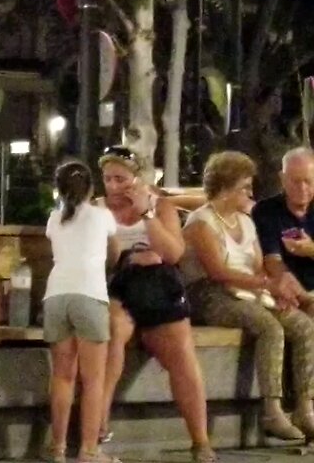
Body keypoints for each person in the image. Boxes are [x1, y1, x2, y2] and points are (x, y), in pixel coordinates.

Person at [182, 151, 314, 439]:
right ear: (226, 188)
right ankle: (272, 411)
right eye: (244, 186)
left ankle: (305, 407)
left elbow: (257, 265)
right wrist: (266, 285)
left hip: (248, 290)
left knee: (303, 326)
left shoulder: (245, 220)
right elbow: (217, 272)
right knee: (269, 327)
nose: (250, 192)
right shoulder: (201, 222)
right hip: (210, 293)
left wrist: (277, 288)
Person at [95, 146, 214, 462]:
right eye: (108, 179)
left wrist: (146, 213)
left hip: (157, 286)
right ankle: (96, 429)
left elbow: (173, 253)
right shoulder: (97, 209)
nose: (114, 186)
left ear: (137, 179)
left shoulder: (161, 208)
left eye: (121, 179)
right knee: (111, 331)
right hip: (116, 287)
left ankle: (201, 442)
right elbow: (96, 260)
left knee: (181, 350)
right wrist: (127, 256)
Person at [43, 161, 120, 463]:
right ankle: (89, 450)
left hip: (56, 296)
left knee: (62, 376)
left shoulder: (53, 219)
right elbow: (114, 253)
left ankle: (58, 448)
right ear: (91, 187)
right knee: (93, 379)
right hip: (90, 295)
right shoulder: (102, 216)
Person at [255, 147, 314, 311]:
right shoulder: (266, 211)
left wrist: (311, 250)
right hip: (291, 292)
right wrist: (302, 296)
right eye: (295, 181)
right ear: (282, 178)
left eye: (308, 181)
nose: (302, 188)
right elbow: (272, 261)